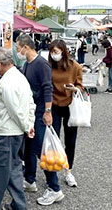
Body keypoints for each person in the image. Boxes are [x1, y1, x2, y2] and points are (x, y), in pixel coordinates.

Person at [0, 48, 35, 210]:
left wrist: (26, 126)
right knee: (14, 170)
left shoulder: (7, 81)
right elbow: (30, 104)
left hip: (7, 134)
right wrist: (29, 125)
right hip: (18, 133)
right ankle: (19, 205)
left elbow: (13, 109)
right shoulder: (21, 77)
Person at [16, 34, 64, 206]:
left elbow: (47, 87)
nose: (17, 51)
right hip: (31, 112)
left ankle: (55, 188)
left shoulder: (41, 63)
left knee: (42, 150)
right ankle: (30, 180)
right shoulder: (26, 64)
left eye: (18, 47)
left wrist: (48, 111)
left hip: (41, 112)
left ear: (26, 47)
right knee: (29, 147)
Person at [48, 39, 83, 188]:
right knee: (53, 139)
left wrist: (74, 88)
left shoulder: (75, 66)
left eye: (56, 52)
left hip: (70, 106)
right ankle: (53, 172)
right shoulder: (49, 66)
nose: (54, 54)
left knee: (70, 141)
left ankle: (68, 171)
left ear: (63, 51)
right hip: (54, 105)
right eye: (52, 52)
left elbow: (81, 86)